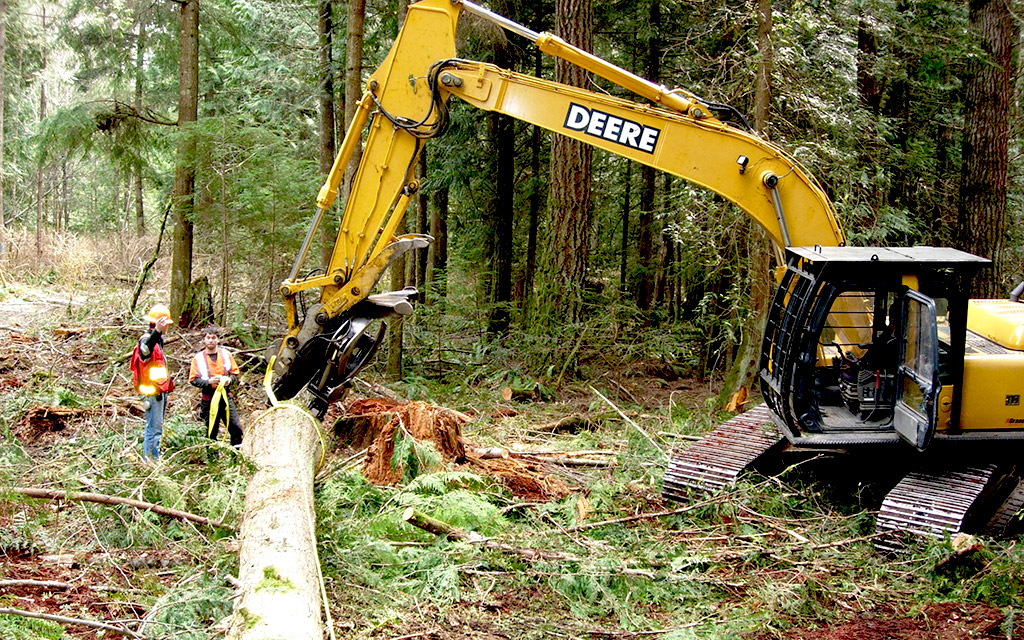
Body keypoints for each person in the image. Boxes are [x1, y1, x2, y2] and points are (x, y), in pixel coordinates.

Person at [188, 327, 243, 448]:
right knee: (211, 431)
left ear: (218, 339)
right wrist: (208, 382)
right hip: (208, 399)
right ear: (204, 340)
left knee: (236, 428)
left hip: (225, 398)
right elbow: (193, 379)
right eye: (208, 338)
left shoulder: (226, 355)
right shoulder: (198, 358)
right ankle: (213, 460)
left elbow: (235, 374)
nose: (211, 340)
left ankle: (237, 457)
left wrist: (229, 380)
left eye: (213, 338)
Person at [135, 303, 174, 461]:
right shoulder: (147, 341)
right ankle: (151, 461)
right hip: (152, 393)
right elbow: (145, 351)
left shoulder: (158, 341)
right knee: (154, 429)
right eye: (166, 325)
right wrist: (157, 331)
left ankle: (153, 457)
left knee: (157, 428)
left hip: (159, 391)